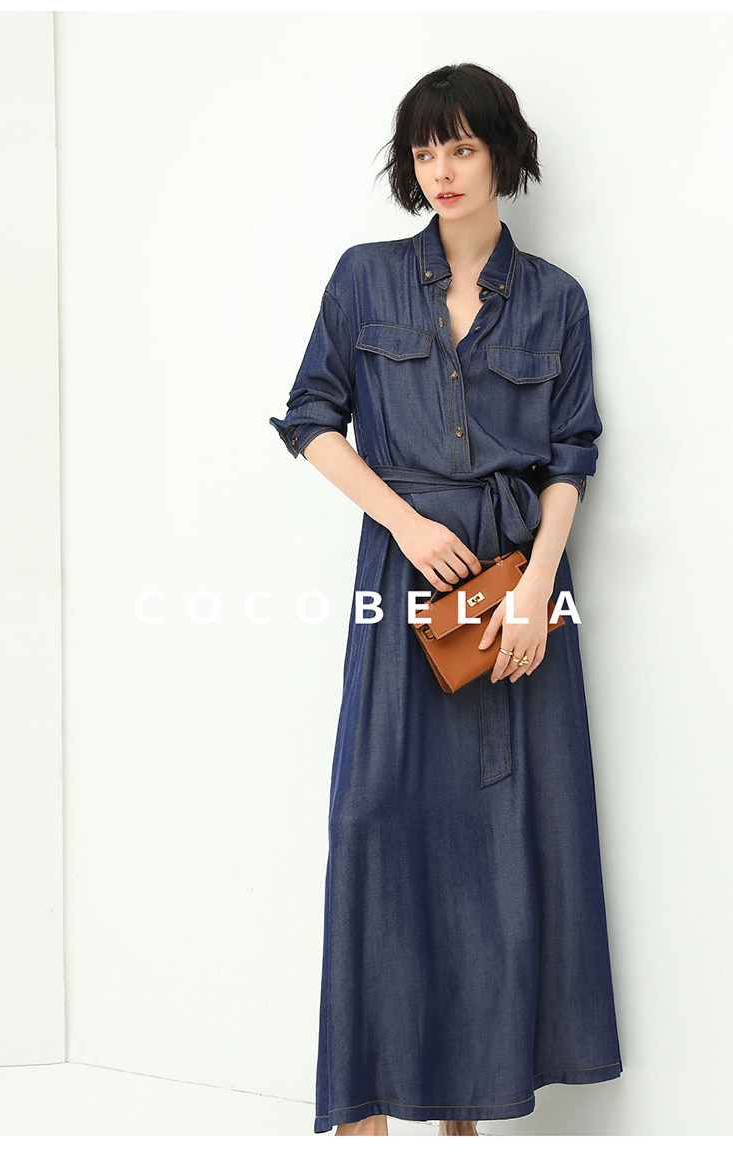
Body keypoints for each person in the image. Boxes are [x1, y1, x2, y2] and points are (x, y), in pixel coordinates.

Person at [269, 62, 622, 1138]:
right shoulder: (366, 277)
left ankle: (462, 1108)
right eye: (425, 150)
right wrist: (405, 522)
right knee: (375, 815)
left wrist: (538, 591)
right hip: (405, 580)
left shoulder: (555, 297)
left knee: (499, 838)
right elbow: (311, 419)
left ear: (500, 153)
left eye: (462, 146)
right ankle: (366, 1108)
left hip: (516, 590)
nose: (442, 169)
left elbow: (571, 456)